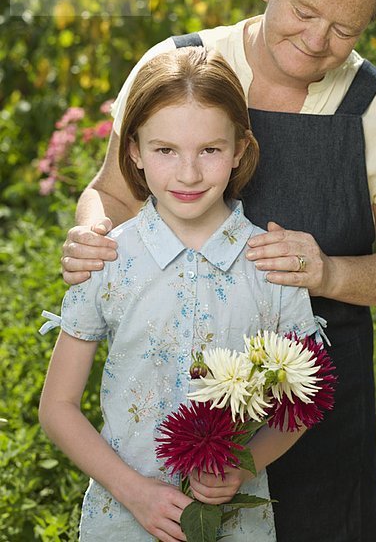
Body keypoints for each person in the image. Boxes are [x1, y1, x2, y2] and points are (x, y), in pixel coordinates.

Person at [60, 0, 376, 540]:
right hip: (169, 411)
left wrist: (329, 274)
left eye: (345, 29)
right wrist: (94, 237)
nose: (318, 40)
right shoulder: (180, 66)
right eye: (305, 11)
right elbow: (113, 192)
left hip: (311, 400)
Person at [39, 46, 327, 542]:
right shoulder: (107, 260)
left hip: (237, 524)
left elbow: (304, 400)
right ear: (133, 151)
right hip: (121, 518)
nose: (189, 173)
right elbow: (57, 407)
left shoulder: (272, 264)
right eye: (165, 150)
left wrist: (245, 466)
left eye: (210, 150)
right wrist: (134, 492)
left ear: (239, 149)